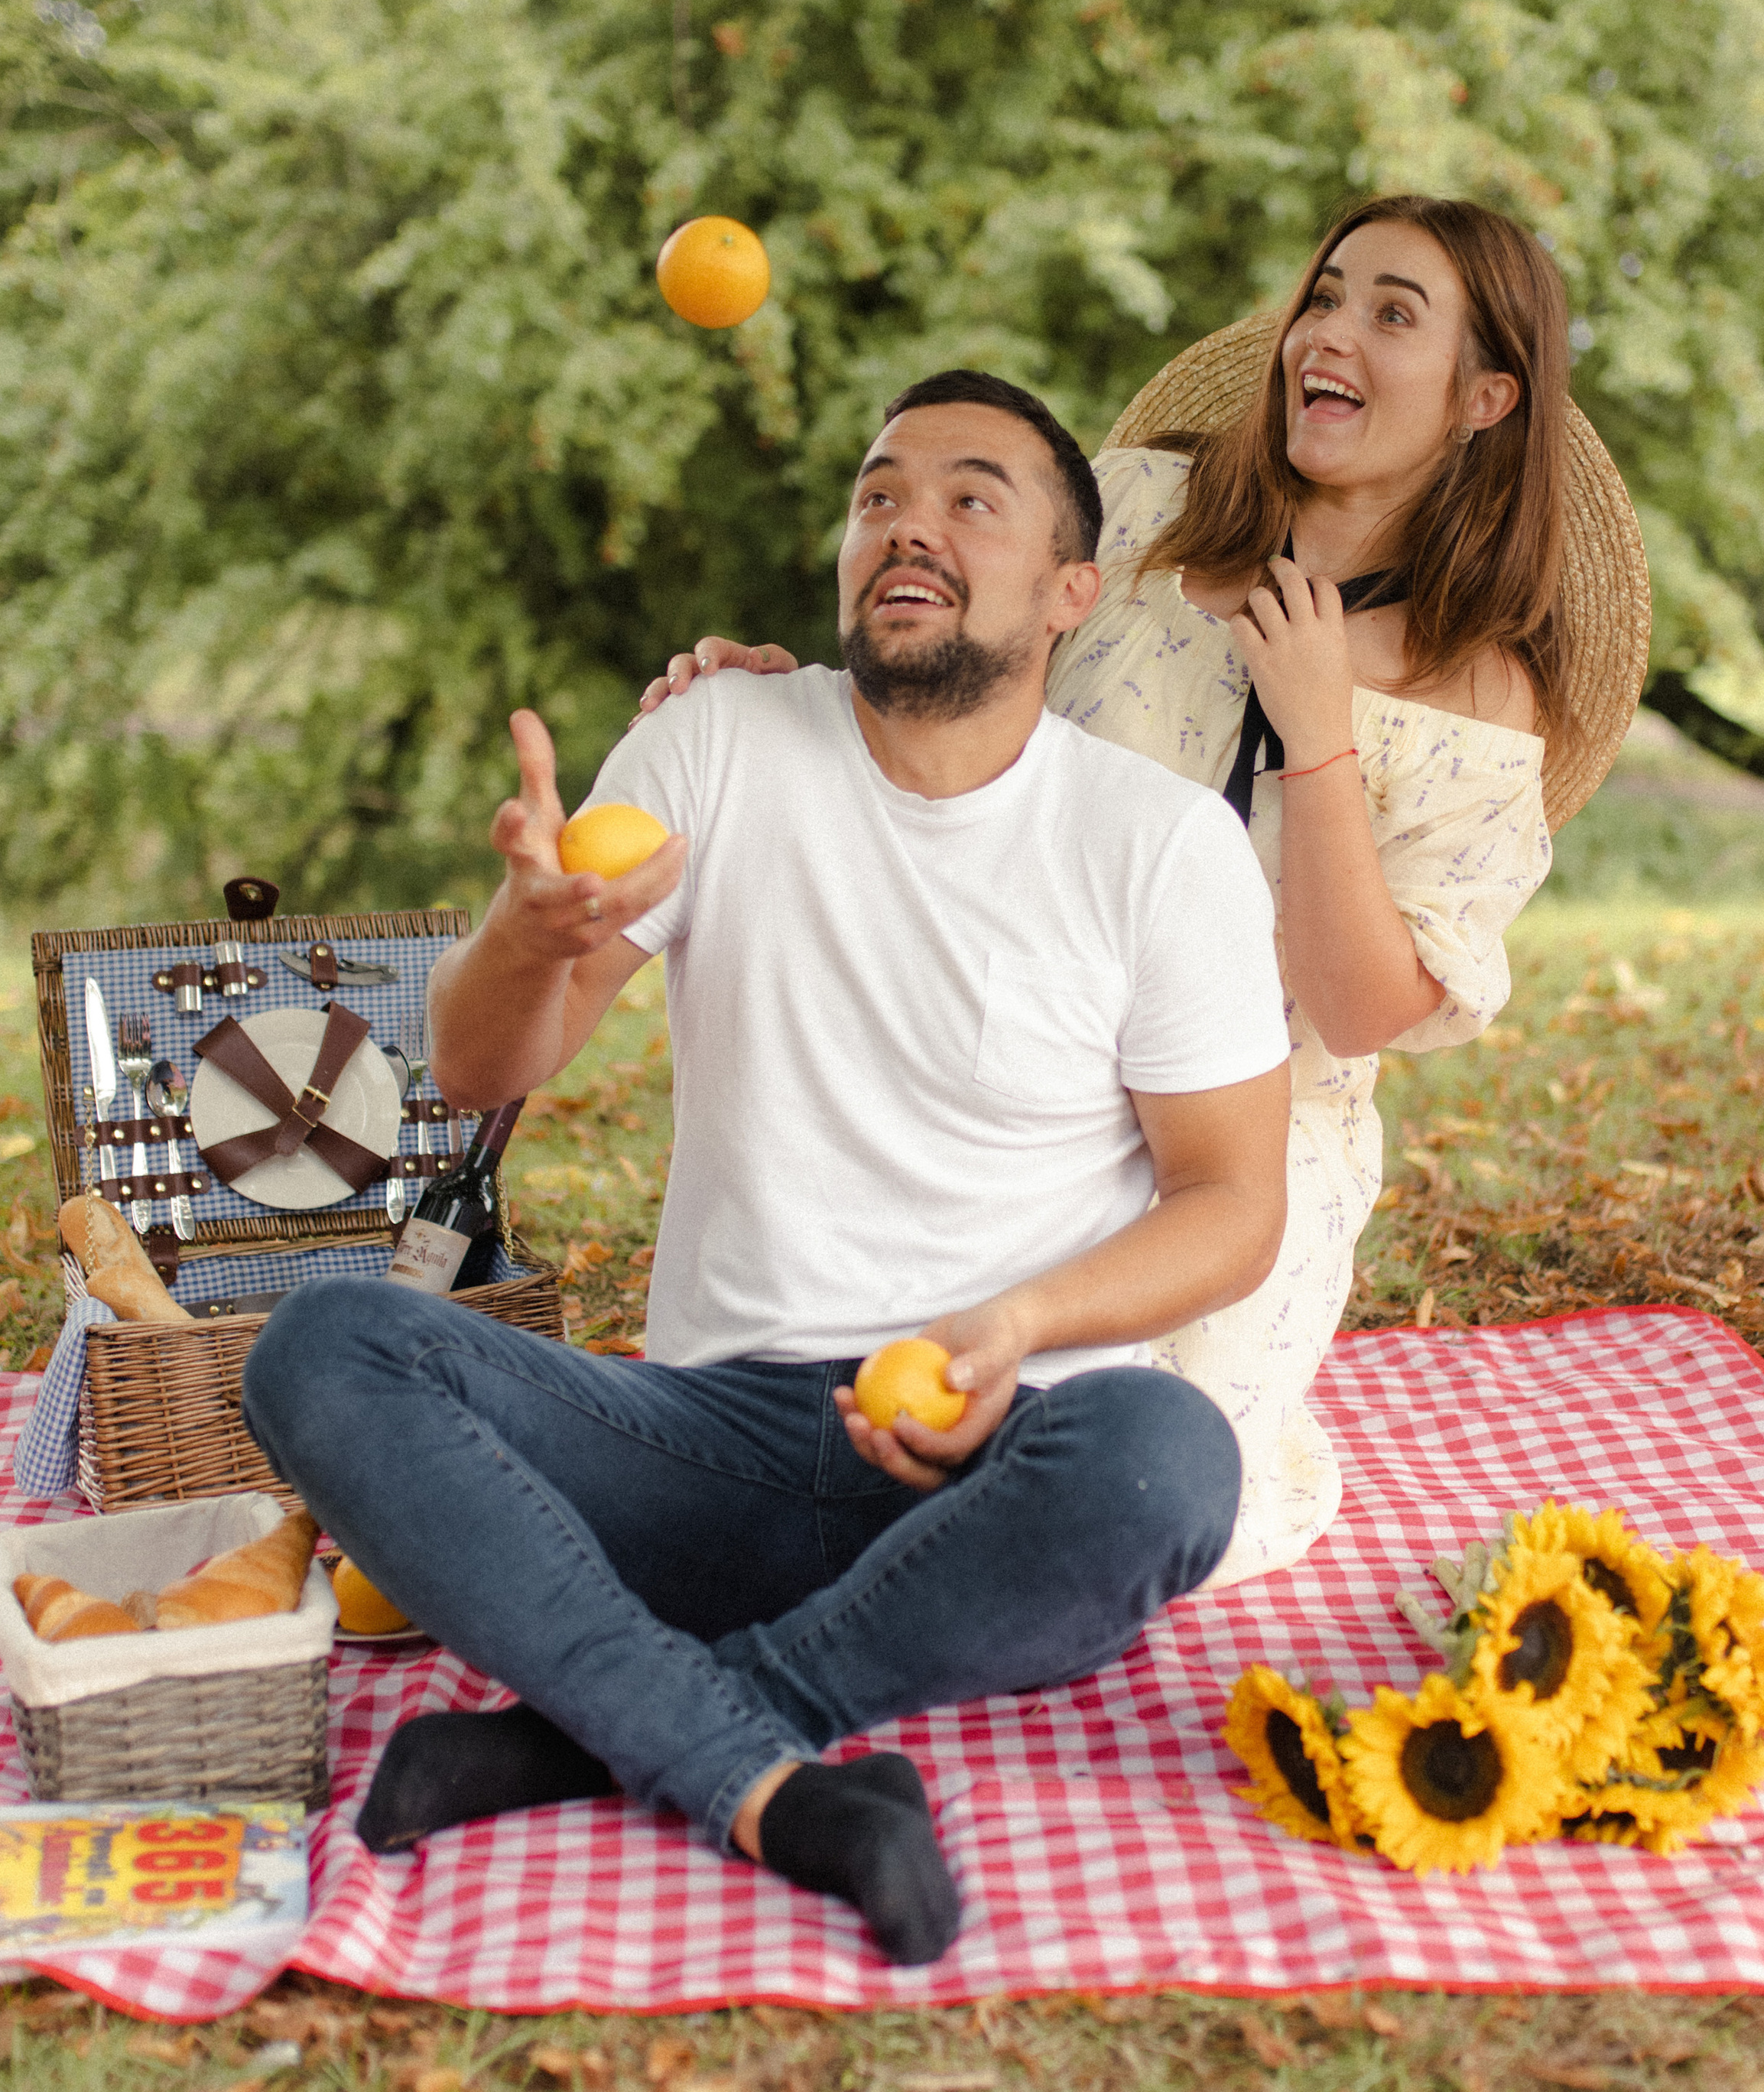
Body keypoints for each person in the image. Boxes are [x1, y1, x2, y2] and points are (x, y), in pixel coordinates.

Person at [242, 370, 1292, 1967]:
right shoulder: (716, 740)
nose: (906, 527)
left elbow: (1231, 1201)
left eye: (967, 497)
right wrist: (528, 936)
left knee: (1167, 1457)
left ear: (1069, 590)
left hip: (992, 1468)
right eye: (877, 493)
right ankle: (785, 1782)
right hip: (700, 1448)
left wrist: (1013, 1328)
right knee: (321, 1348)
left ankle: (610, 1732)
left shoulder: (1154, 845)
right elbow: (474, 1066)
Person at [636, 196, 1648, 1586]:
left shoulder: (1482, 686)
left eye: (1392, 313)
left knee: (1142, 1503)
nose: (1329, 333)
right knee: (880, 1428)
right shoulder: (1152, 513)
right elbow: (958, 669)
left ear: (1485, 396)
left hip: (1243, 1149)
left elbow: (1358, 1010)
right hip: (1005, 1053)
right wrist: (794, 692)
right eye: (1327, 294)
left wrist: (1322, 734)